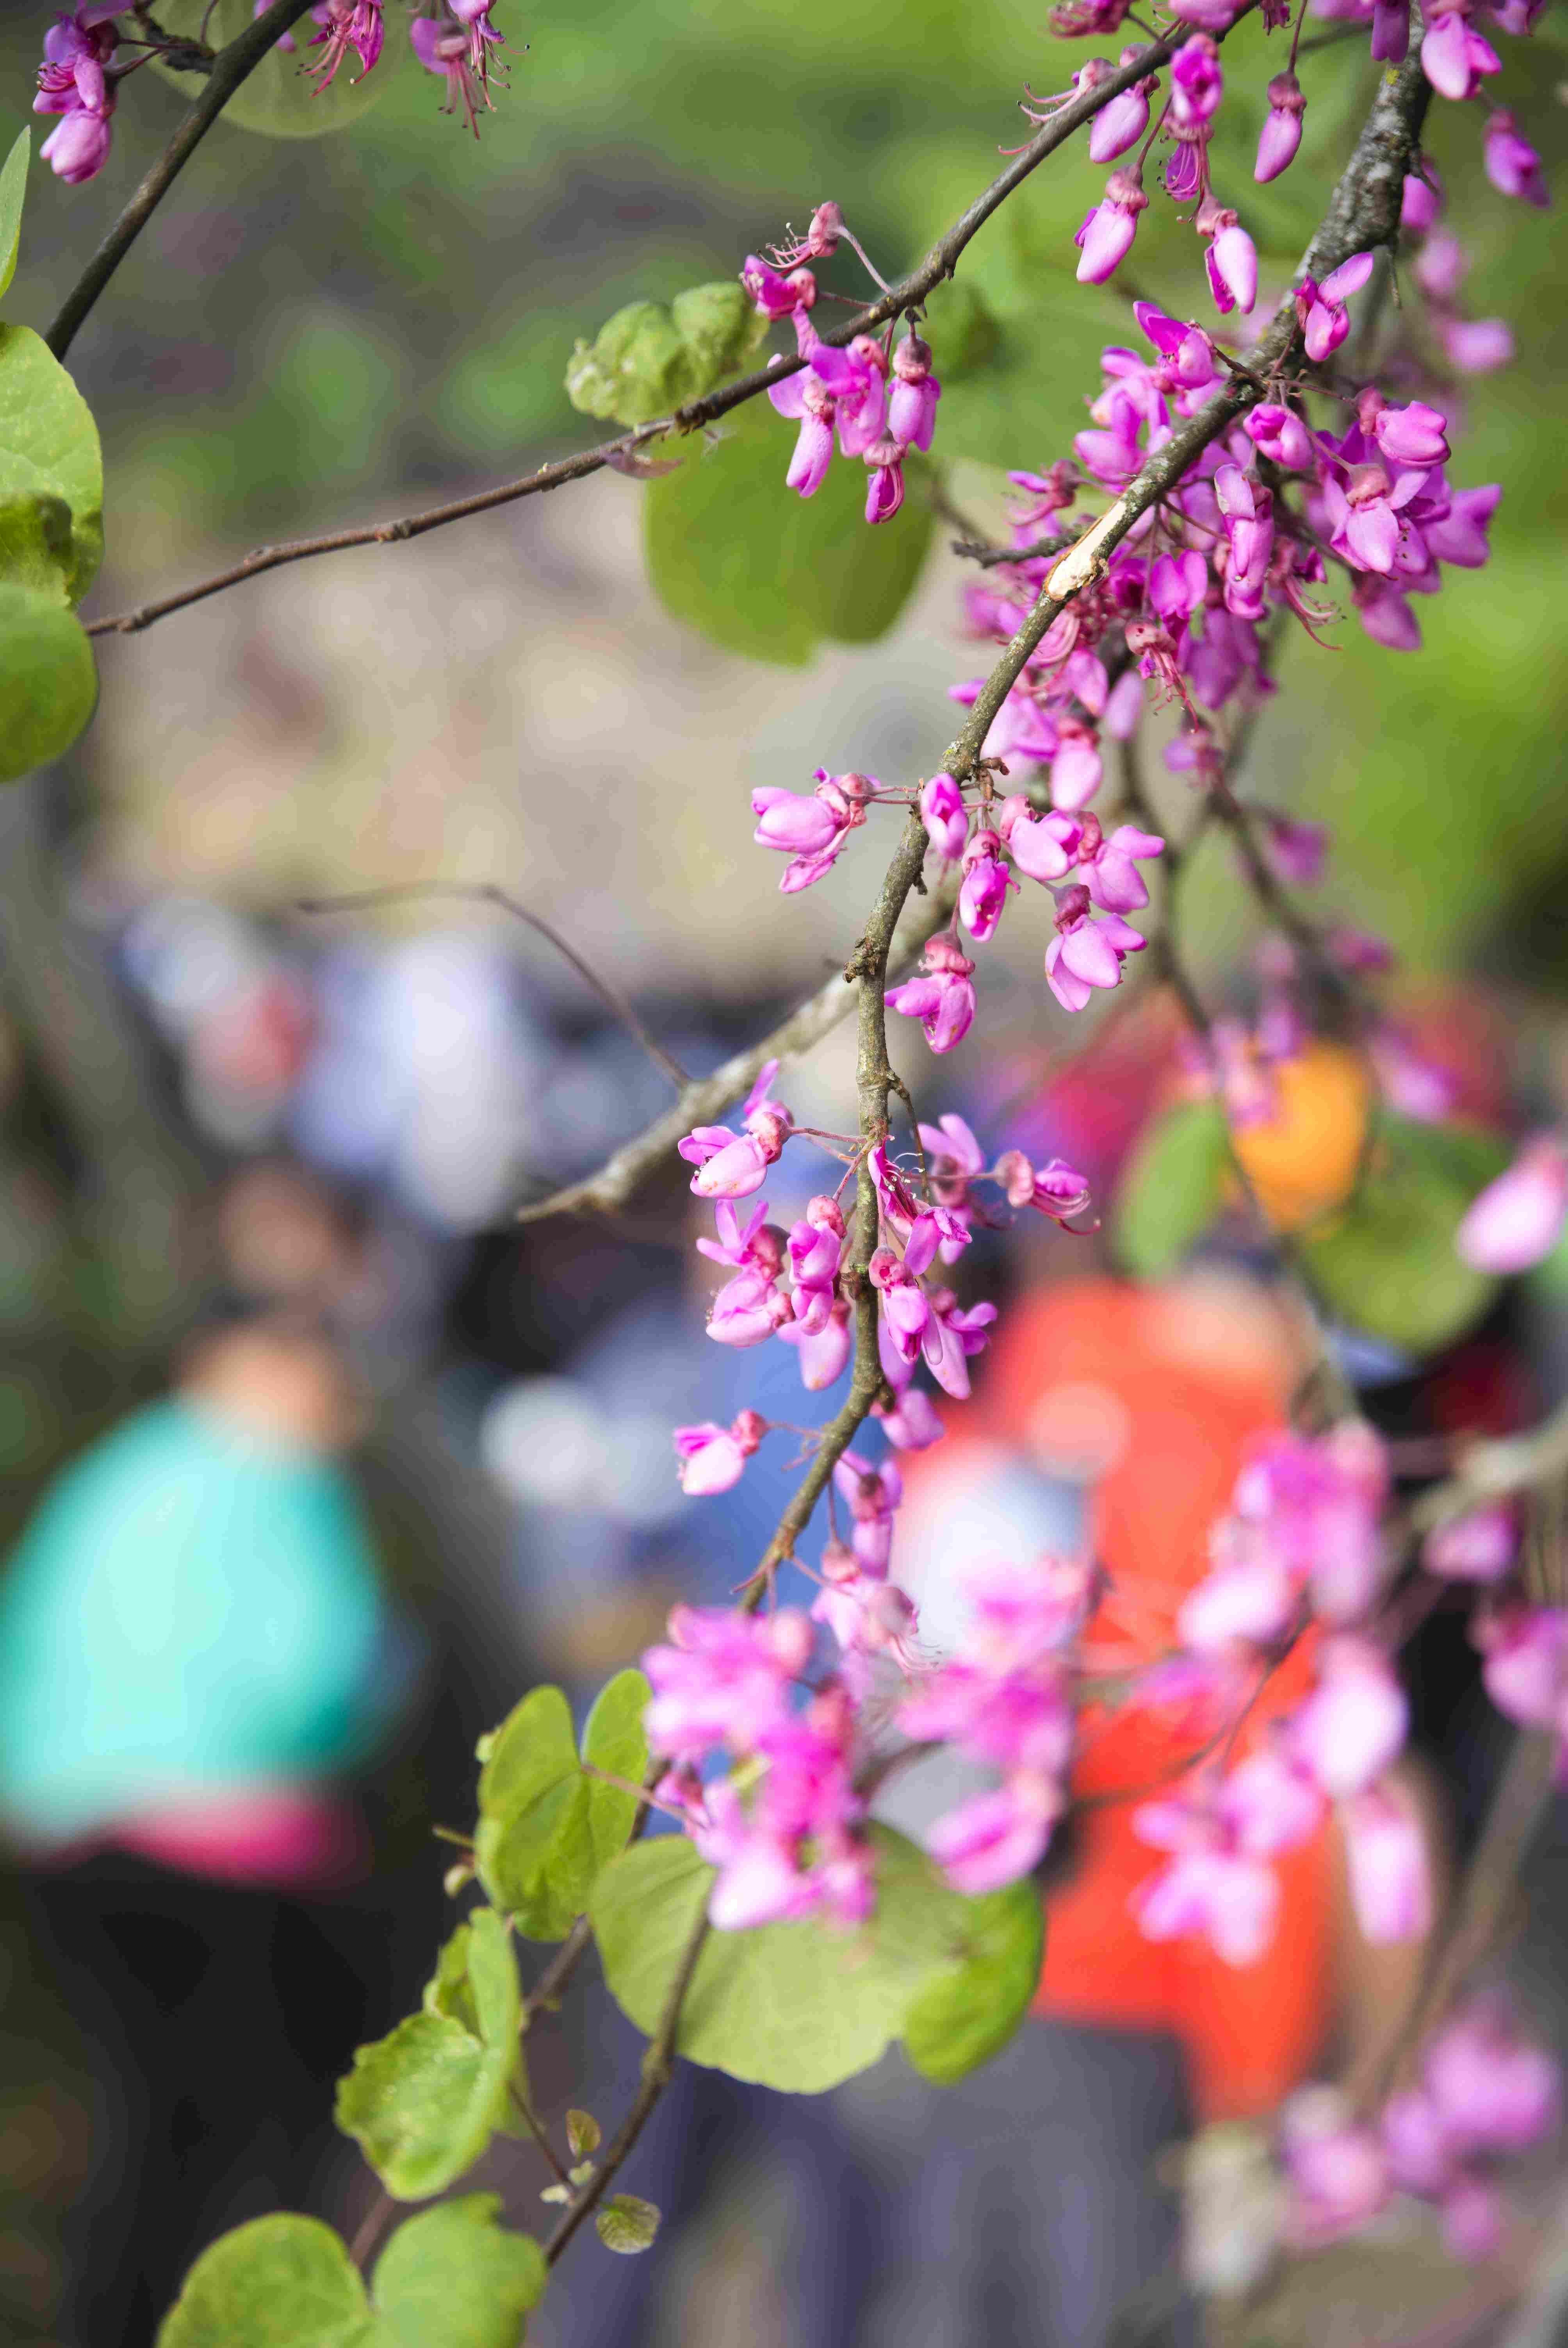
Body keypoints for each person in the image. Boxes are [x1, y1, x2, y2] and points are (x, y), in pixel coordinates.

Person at [1, 1318, 421, 2348]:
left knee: (153, 2134)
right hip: (234, 1854)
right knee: (258, 2144)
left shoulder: (118, 1472)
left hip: (74, 1839)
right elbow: (327, 1670)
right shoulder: (284, 1481)